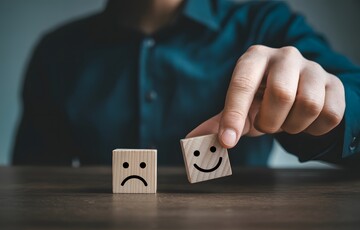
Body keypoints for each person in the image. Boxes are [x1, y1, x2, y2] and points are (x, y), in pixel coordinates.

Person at [12, 0, 360, 167]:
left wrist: (332, 107)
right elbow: (33, 180)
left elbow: (351, 96)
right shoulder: (56, 52)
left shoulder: (266, 24)